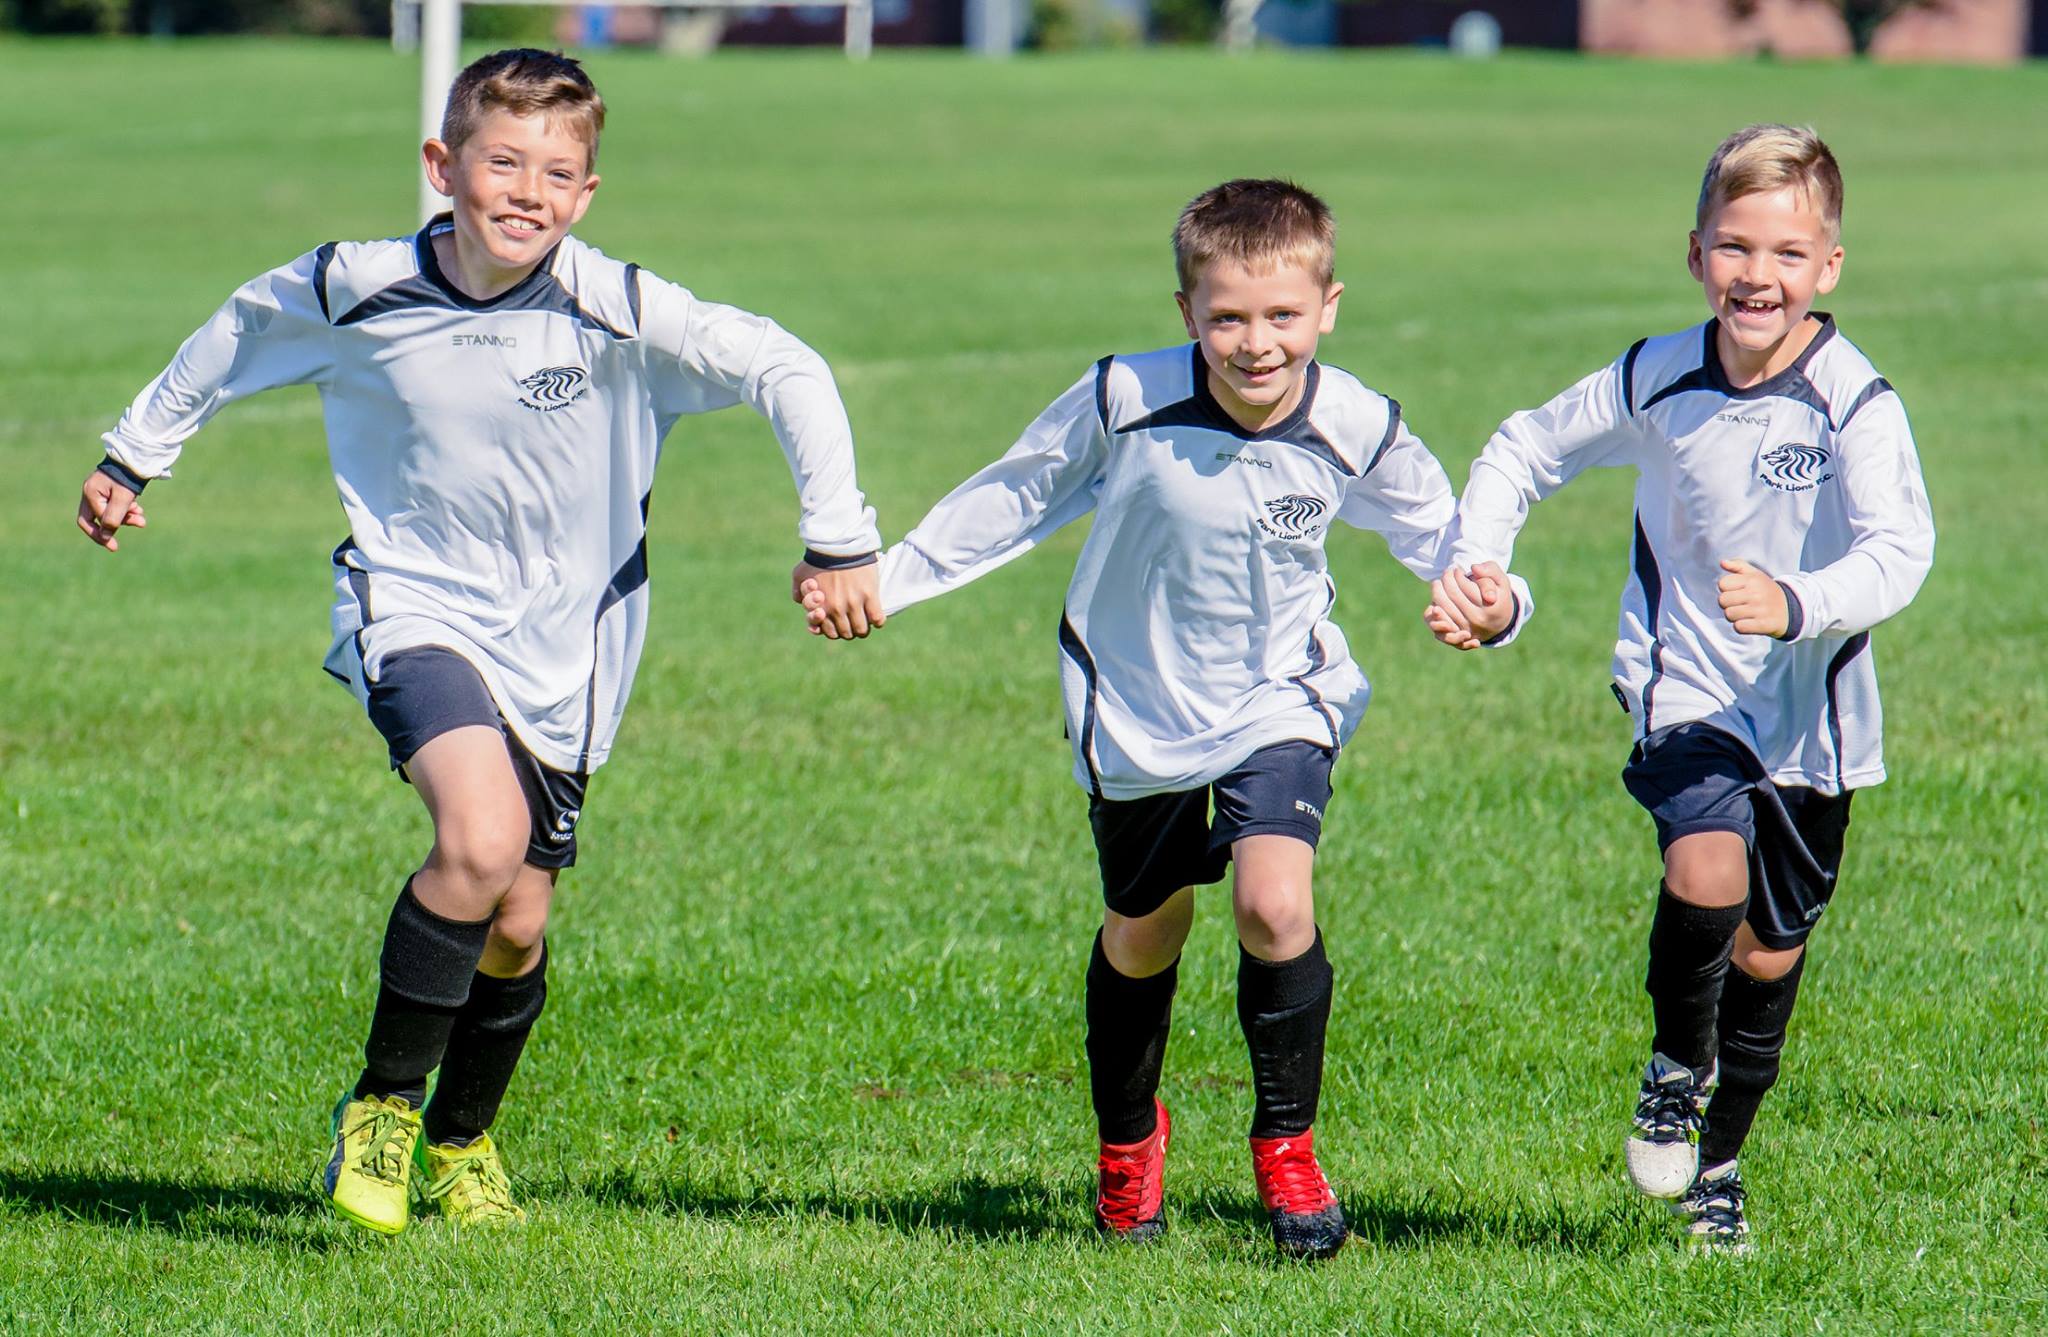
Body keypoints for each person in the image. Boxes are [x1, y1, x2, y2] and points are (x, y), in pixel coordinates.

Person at [77, 47, 885, 1235]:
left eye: (557, 172)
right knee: (480, 833)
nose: (526, 190)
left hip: (574, 648)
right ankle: (383, 1109)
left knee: (516, 917)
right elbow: (233, 335)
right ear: (440, 164)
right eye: (500, 161)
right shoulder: (355, 284)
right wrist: (131, 454)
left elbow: (786, 366)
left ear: (588, 193)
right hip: (412, 606)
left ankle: (460, 1141)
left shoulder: (616, 307)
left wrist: (837, 534)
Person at [806, 179, 1521, 1258]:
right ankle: (1127, 1143)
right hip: (1133, 706)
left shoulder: (1354, 422)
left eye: (1281, 316)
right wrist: (882, 581)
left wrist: (1491, 603)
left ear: (1327, 305)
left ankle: (1287, 1151)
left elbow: (1446, 537)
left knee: (1274, 905)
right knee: (1147, 930)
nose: (1254, 343)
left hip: (1280, 692)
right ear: (1185, 311)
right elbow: (1012, 496)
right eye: (1226, 316)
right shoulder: (1121, 398)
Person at [1427, 124, 1934, 1252]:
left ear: (1829, 267)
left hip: (1812, 720)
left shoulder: (1855, 402)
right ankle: (1671, 1062)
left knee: (1766, 953)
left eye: (1788, 253)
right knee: (1703, 873)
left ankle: (1719, 1165)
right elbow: (1521, 448)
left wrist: (1798, 602)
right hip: (1684, 688)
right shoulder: (1653, 374)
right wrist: (1479, 560)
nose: (1758, 275)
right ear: (1694, 250)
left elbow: (1902, 549)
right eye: (1734, 247)